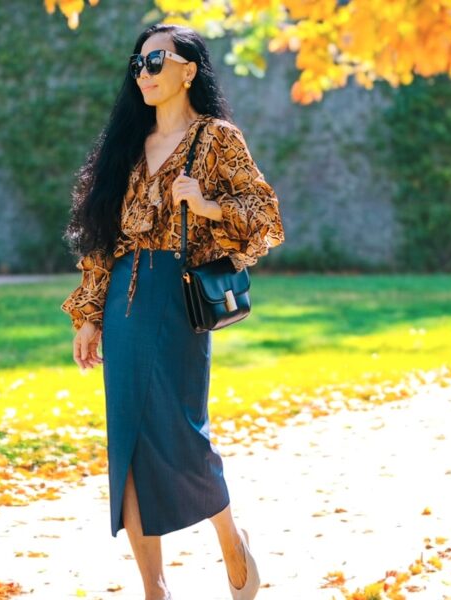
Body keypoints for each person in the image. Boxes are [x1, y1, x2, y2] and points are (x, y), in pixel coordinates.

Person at [60, 22, 285, 600]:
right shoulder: (126, 148)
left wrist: (206, 204)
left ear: (188, 69)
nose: (144, 73)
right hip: (123, 298)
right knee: (129, 441)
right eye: (138, 64)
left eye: (156, 62)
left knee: (183, 432)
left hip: (177, 296)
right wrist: (88, 312)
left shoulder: (217, 139)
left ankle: (231, 541)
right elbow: (102, 238)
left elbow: (265, 219)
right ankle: (154, 590)